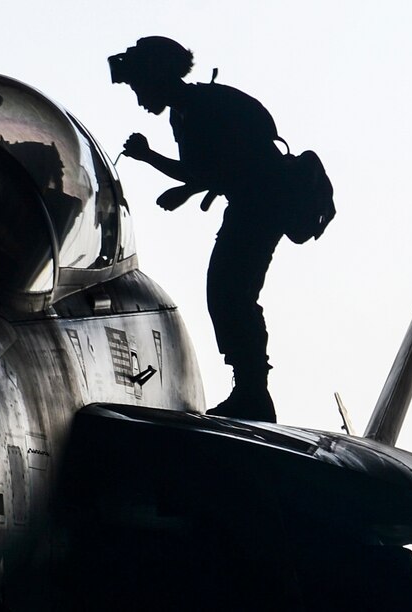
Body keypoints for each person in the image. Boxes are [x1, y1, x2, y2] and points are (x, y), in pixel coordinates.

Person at [110, 36, 292, 422]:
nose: (139, 96)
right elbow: (219, 167)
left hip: (257, 208)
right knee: (231, 292)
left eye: (139, 84)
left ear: (155, 76)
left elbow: (204, 169)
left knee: (230, 293)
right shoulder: (198, 105)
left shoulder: (194, 110)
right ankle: (251, 390)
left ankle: (253, 393)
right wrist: (186, 190)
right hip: (256, 205)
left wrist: (148, 157)